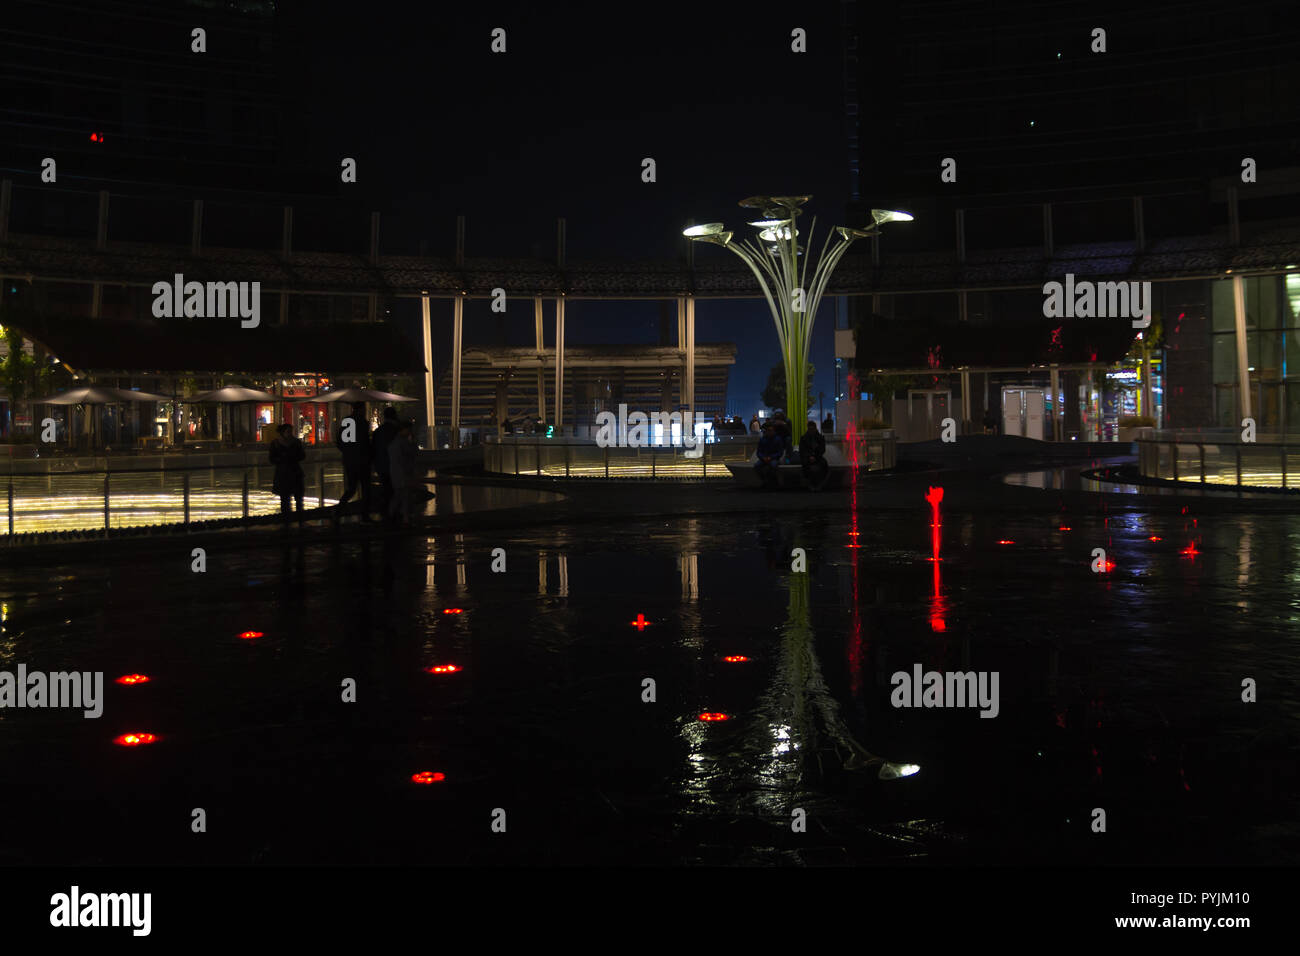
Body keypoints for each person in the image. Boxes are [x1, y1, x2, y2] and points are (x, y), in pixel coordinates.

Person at [335, 402, 372, 519]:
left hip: (350, 460)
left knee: (351, 488)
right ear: (361, 409)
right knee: (365, 488)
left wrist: (347, 452)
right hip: (362, 460)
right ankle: (364, 515)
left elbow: (341, 442)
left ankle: (338, 511)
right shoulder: (362, 422)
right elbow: (365, 443)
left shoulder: (347, 421)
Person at [269, 423, 305, 522]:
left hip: (284, 473)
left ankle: (289, 520)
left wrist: (282, 459)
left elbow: (272, 459)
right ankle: (296, 519)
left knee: (288, 499)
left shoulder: (276, 444)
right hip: (291, 473)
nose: (290, 434)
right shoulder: (296, 442)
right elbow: (302, 455)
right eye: (288, 431)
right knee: (290, 499)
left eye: (290, 431)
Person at [387, 418, 419, 524]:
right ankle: (403, 516)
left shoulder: (395, 442)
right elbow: (411, 454)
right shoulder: (402, 442)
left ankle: (395, 515)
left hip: (397, 472)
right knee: (404, 495)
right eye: (409, 429)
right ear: (404, 430)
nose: (410, 432)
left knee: (400, 495)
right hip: (402, 473)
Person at [371, 407, 399, 516]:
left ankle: (385, 512)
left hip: (381, 465)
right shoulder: (396, 430)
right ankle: (393, 513)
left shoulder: (378, 431)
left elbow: (374, 448)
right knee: (396, 490)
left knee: (386, 489)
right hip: (394, 465)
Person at [754, 422, 784, 490]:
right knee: (758, 466)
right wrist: (764, 457)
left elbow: (780, 452)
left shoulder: (777, 439)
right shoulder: (764, 439)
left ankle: (767, 482)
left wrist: (769, 457)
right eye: (769, 431)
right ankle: (769, 482)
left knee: (771, 466)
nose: (770, 432)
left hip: (772, 458)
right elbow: (759, 451)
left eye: (771, 431)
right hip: (768, 458)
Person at [800, 420, 829, 491]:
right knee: (806, 464)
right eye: (810, 429)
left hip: (816, 457)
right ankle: (813, 483)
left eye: (812, 429)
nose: (811, 431)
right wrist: (810, 456)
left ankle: (816, 483)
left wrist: (815, 456)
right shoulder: (804, 438)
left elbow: (822, 449)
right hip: (809, 457)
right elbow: (802, 450)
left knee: (824, 464)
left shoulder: (820, 437)